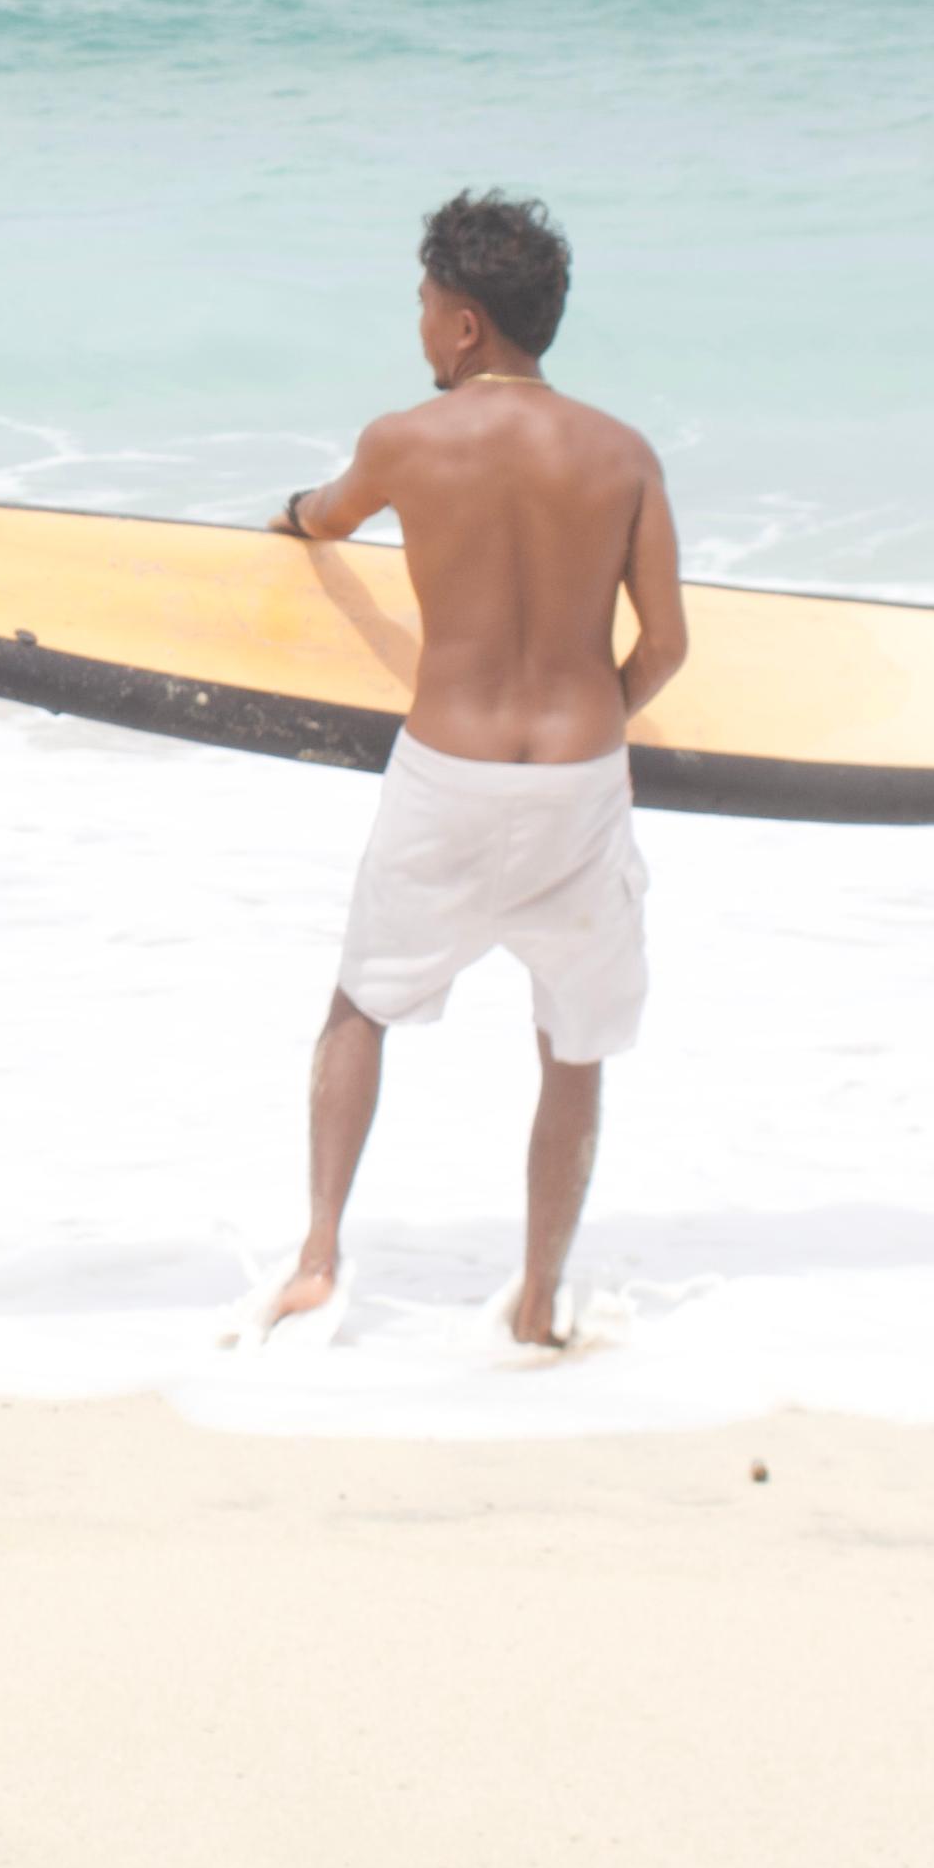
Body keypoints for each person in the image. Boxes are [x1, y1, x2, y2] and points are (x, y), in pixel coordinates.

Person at [245, 190, 688, 1355]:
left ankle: (315, 1260)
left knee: (360, 1005)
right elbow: (669, 647)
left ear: (463, 329)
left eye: (425, 302)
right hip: (579, 785)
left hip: (446, 775)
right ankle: (538, 1297)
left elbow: (326, 520)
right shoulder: (623, 454)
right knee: (573, 1040)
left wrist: (285, 515)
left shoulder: (405, 438)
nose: (421, 322)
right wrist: (597, 719)